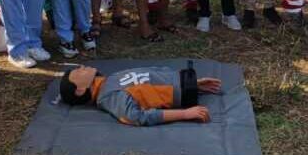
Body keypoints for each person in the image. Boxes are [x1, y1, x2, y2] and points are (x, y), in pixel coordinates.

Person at [59, 65, 221, 126]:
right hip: (183, 95)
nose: (81, 67)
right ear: (80, 90)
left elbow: (149, 77)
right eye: (78, 72)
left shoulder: (108, 80)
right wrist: (184, 114)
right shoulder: (108, 97)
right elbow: (137, 117)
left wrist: (194, 84)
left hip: (183, 82)